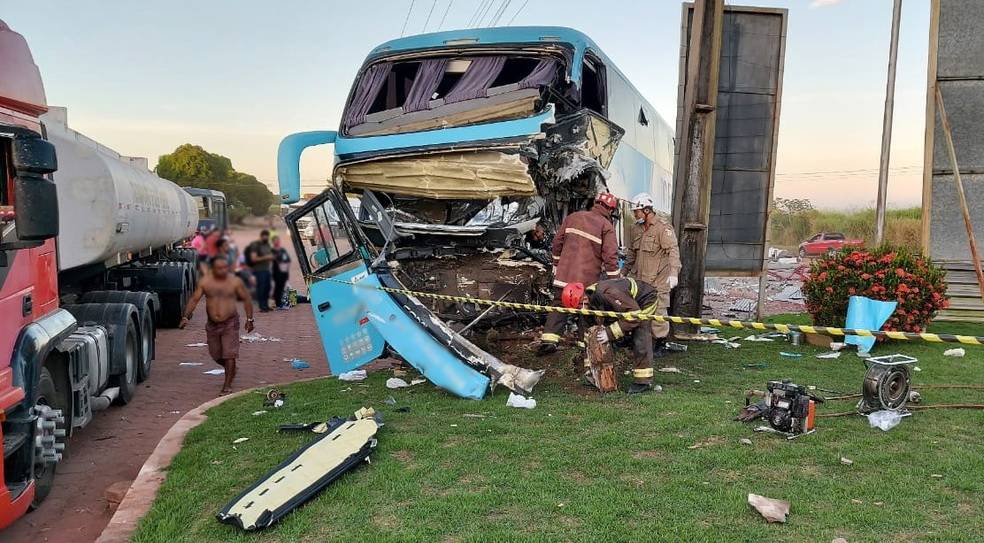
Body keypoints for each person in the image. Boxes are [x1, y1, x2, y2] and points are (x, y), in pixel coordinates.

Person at [537, 192, 621, 355]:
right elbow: (611, 257)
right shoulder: (606, 226)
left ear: (595, 203)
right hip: (586, 281)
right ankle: (586, 347)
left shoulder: (573, 217)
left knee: (559, 306)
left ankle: (549, 340)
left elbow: (557, 243)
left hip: (564, 276)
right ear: (611, 210)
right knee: (586, 311)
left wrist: (556, 263)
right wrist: (615, 281)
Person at [561, 278, 660, 394]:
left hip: (644, 301)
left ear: (584, 299)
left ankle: (643, 381)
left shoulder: (609, 293)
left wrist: (609, 333)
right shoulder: (588, 302)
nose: (581, 311)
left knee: (640, 333)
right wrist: (589, 369)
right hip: (625, 305)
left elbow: (634, 315)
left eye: (580, 307)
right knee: (611, 327)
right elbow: (587, 334)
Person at [180, 256, 255, 394]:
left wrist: (250, 320)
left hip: (230, 323)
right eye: (219, 268)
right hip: (212, 324)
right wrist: (186, 316)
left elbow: (246, 299)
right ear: (213, 269)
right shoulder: (205, 282)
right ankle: (231, 368)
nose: (222, 270)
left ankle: (227, 385)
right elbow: (194, 299)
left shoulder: (235, 282)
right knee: (215, 354)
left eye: (225, 267)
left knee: (229, 354)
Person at [624, 193, 681, 357]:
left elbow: (673, 251)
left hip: (658, 280)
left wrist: (674, 273)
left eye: (637, 211)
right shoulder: (635, 228)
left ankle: (660, 343)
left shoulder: (663, 229)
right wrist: (623, 274)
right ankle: (637, 339)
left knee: (659, 312)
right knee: (637, 310)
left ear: (647, 210)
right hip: (640, 280)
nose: (635, 214)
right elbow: (631, 255)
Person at [244, 229, 275, 312]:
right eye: (265, 236)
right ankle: (262, 306)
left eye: (267, 237)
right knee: (261, 288)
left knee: (267, 288)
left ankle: (266, 305)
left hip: (267, 269)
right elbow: (253, 258)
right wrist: (266, 257)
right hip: (259, 270)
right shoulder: (255, 245)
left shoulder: (267, 244)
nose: (266, 238)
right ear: (261, 236)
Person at [271, 235, 291, 309]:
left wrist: (286, 266)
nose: (277, 242)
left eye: (278, 240)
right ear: (273, 242)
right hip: (276, 272)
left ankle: (282, 302)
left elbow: (288, 260)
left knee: (283, 287)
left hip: (284, 272)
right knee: (278, 288)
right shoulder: (272, 251)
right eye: (276, 240)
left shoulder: (282, 250)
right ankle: (279, 304)